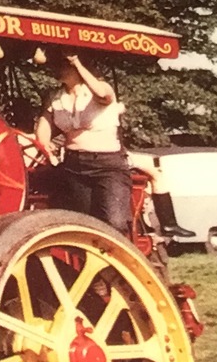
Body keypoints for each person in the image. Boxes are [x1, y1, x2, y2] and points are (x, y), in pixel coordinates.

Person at [34, 54, 193, 238]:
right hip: (74, 165)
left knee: (115, 222)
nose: (56, 70)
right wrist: (45, 144)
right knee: (85, 223)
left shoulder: (101, 89)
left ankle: (165, 226)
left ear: (77, 69)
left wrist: (78, 62)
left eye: (63, 65)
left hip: (107, 164)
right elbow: (44, 129)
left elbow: (102, 94)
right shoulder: (56, 98)